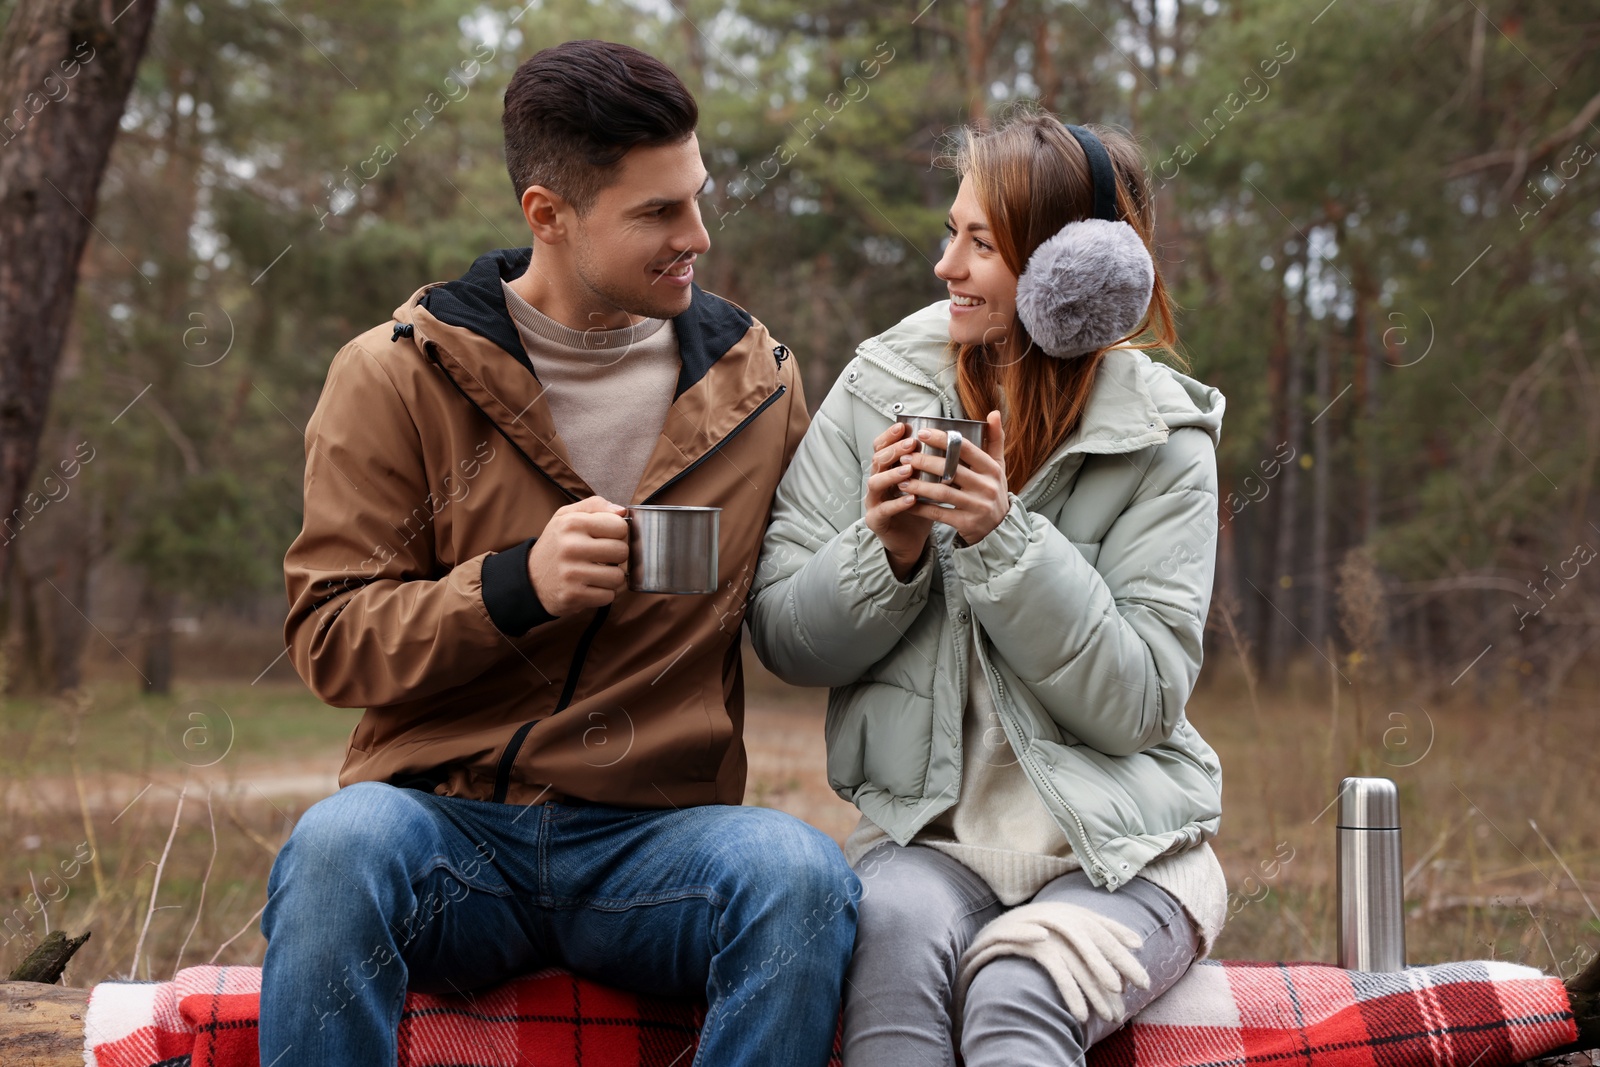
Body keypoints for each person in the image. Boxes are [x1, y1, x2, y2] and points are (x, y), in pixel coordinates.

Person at [262, 40, 856, 1067]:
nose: (696, 236)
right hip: (445, 830)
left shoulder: (757, 385)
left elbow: (799, 610)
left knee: (798, 875)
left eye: (697, 198)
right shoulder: (395, 374)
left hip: (654, 848)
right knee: (337, 842)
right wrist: (510, 588)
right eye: (657, 214)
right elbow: (329, 637)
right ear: (548, 214)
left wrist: (889, 548)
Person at [748, 104, 1230, 1067]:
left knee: (1016, 994)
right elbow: (784, 636)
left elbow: (1137, 701)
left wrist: (1007, 542)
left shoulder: (1163, 439)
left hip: (1124, 854)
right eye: (948, 232)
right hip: (928, 846)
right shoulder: (882, 384)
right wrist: (882, 553)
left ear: (1070, 270)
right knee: (889, 958)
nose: (946, 267)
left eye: (979, 243)